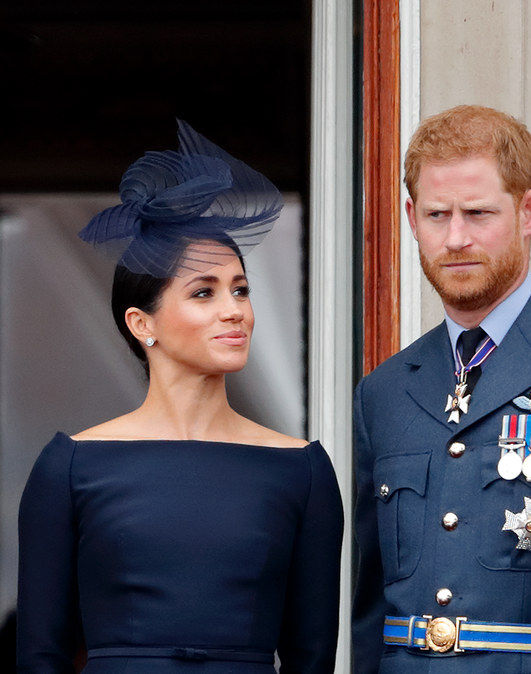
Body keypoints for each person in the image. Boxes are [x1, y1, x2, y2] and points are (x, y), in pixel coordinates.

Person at [17, 121, 344, 673]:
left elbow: (312, 658)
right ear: (143, 323)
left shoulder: (302, 470)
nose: (234, 309)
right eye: (203, 292)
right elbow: (40, 656)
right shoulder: (68, 467)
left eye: (241, 289)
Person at [352, 105, 531, 673]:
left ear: (529, 212)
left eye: (478, 213)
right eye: (437, 214)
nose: (455, 237)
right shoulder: (383, 391)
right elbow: (370, 610)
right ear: (411, 218)